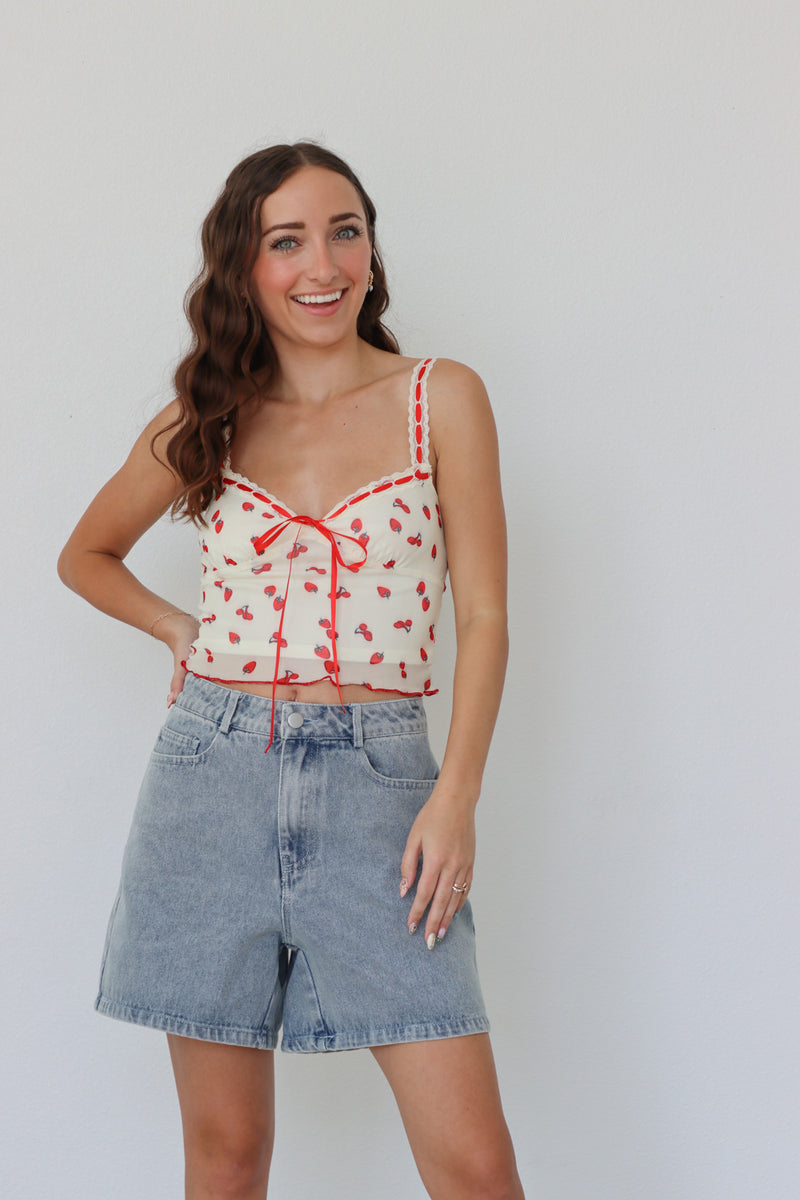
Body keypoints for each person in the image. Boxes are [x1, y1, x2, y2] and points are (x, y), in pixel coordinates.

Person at [58, 141, 523, 1200]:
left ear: (369, 250)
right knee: (225, 1159)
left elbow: (487, 615)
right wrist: (180, 629)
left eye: (344, 231)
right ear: (244, 267)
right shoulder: (207, 416)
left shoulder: (438, 397)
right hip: (206, 784)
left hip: (383, 793)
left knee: (474, 1165)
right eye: (287, 240)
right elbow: (84, 555)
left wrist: (454, 798)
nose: (323, 264)